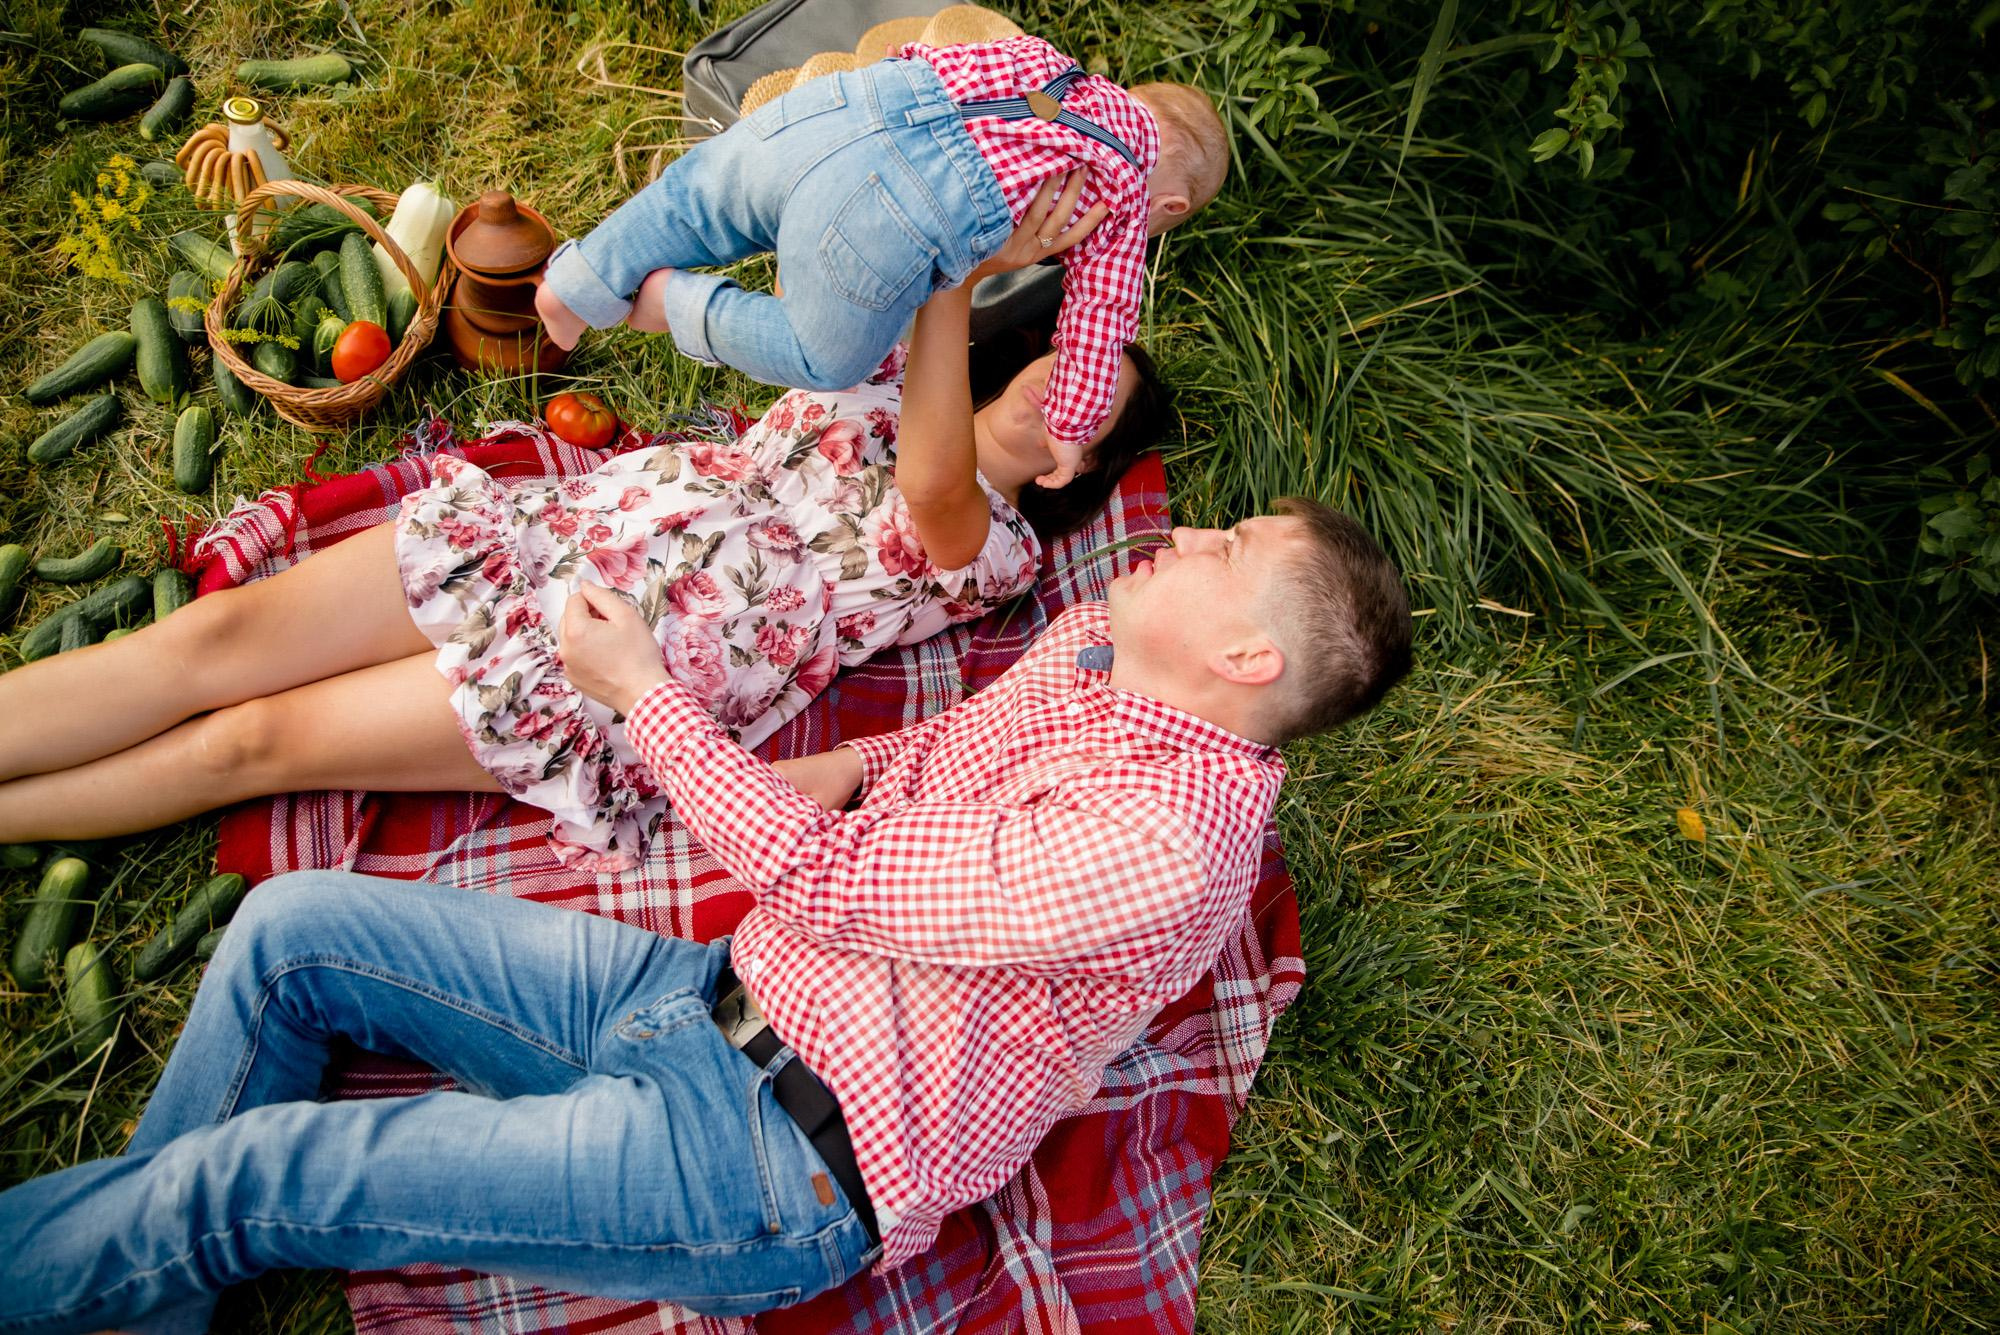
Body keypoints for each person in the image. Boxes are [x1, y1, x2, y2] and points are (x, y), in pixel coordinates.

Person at [0, 489, 1412, 1335]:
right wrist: (790, 770)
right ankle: (131, 1287)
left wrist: (652, 708)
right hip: (694, 994)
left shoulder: (1163, 845)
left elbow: (843, 879)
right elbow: (923, 761)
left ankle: (102, 1255)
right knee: (295, 928)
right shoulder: (1098, 657)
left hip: (764, 1164)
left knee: (266, 1175)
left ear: (1249, 653)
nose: (1185, 530)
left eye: (1227, 543)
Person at [0, 176, 1164, 871]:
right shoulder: (903, 367)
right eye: (1077, 351)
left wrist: (957, 286)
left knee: (244, 745)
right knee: (200, 649)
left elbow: (927, 488)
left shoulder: (998, 550)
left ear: (1078, 465)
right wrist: (993, 250)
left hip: (622, 655)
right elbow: (870, 261)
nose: (1072, 377)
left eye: (1095, 398)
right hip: (549, 531)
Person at [533, 33, 1230, 486]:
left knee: (701, 195)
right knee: (826, 358)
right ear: (1168, 206)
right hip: (899, 207)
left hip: (844, 105)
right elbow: (1097, 327)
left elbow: (940, 52)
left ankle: (575, 283)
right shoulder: (1126, 193)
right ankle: (678, 307)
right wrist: (1072, 432)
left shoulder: (1054, 66)